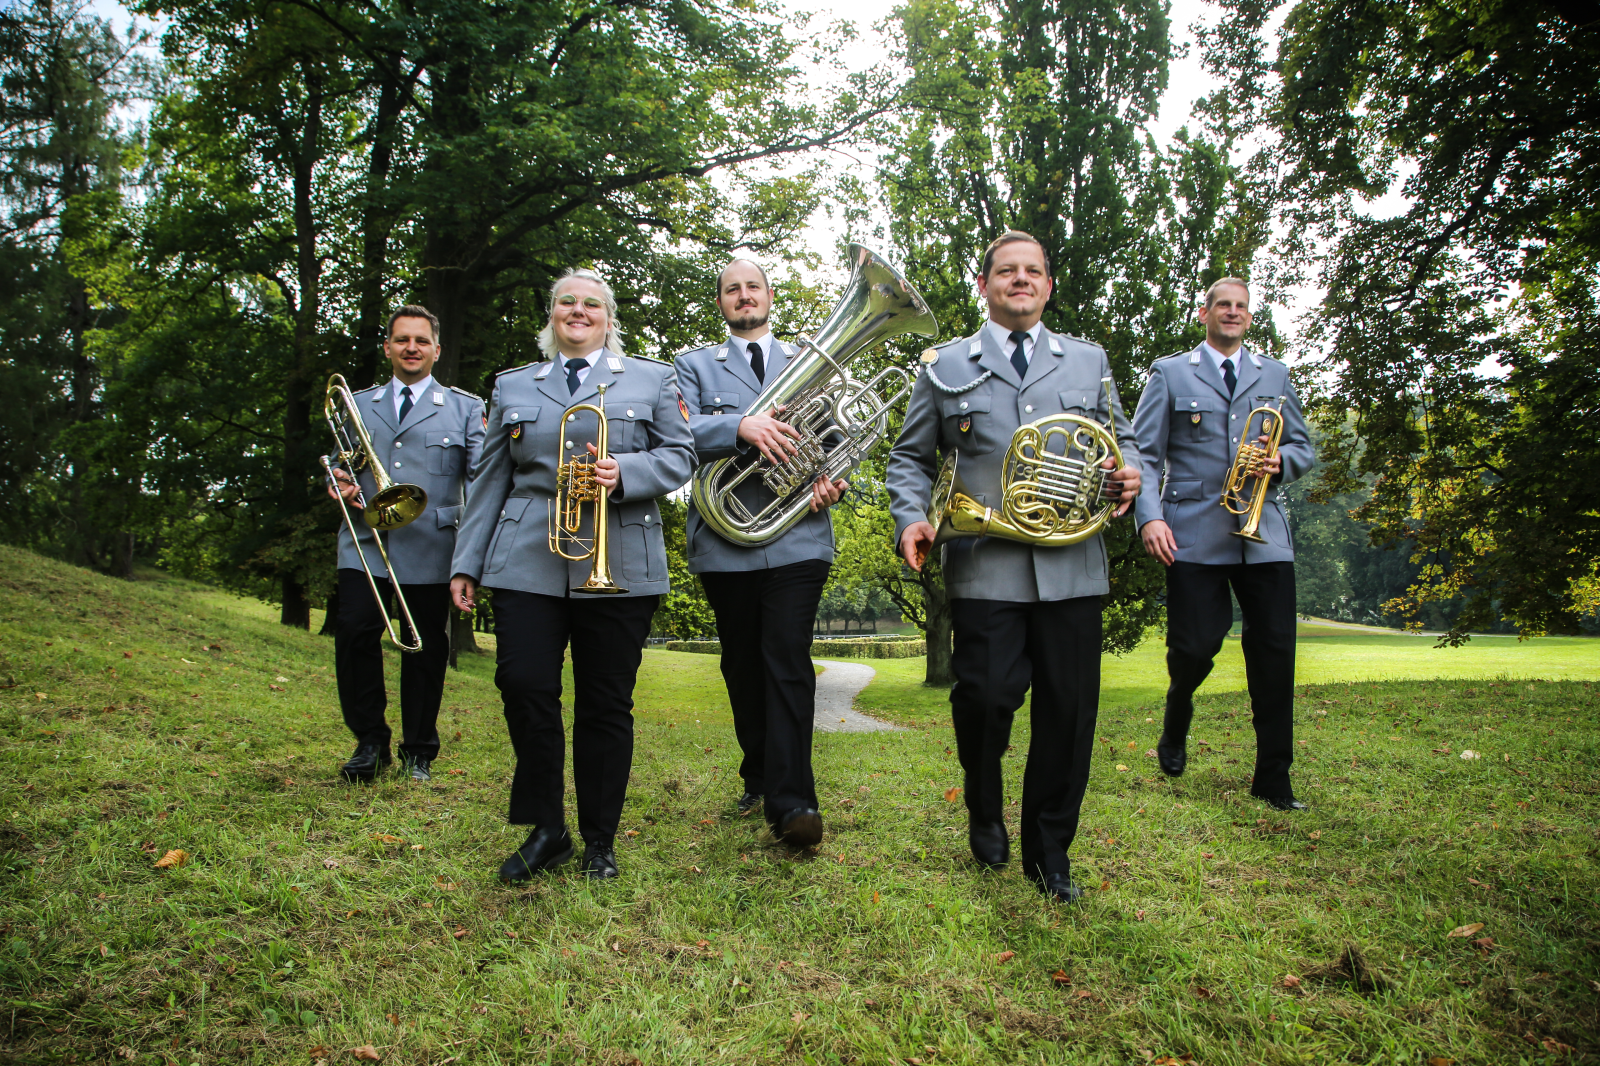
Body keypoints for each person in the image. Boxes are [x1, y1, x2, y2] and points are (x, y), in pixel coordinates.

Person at [887, 231, 1141, 902]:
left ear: (1048, 286)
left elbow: (1125, 444)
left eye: (1032, 272)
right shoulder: (944, 366)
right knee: (987, 700)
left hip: (1072, 570)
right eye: (1006, 271)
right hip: (985, 564)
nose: (1020, 280)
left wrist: (1128, 477)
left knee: (1068, 714)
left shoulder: (1089, 362)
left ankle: (1049, 853)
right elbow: (909, 458)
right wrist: (911, 516)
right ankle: (982, 802)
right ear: (985, 285)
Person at [449, 268, 695, 882]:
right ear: (552, 315)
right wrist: (467, 562)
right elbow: (488, 483)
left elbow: (681, 454)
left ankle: (600, 840)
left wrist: (629, 471)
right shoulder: (511, 386)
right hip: (528, 557)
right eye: (567, 302)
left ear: (608, 318)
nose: (578, 311)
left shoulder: (652, 378)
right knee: (524, 683)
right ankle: (547, 828)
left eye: (592, 304)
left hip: (621, 558)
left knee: (606, 703)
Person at [674, 259, 849, 848]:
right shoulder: (693, 365)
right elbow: (675, 432)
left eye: (752, 286)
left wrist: (832, 481)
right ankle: (759, 770)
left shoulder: (811, 358)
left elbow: (837, 437)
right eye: (732, 289)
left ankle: (795, 799)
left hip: (798, 535)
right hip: (727, 540)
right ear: (721, 302)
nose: (743, 296)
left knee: (787, 656)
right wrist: (740, 427)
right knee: (743, 664)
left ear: (769, 295)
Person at [1130, 277, 1315, 811]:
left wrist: (1283, 462)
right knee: (1195, 646)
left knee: (1276, 655)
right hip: (1192, 532)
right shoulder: (1169, 373)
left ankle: (1274, 779)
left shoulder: (1275, 375)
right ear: (1204, 313)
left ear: (1249, 317)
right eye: (1222, 306)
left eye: (1240, 307)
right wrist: (1150, 519)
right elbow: (1143, 453)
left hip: (1265, 536)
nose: (1231, 314)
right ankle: (1178, 706)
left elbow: (1301, 444)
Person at [328, 304, 485, 784]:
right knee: (354, 633)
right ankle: (369, 741)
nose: (411, 348)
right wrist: (339, 482)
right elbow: (342, 464)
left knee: (424, 648)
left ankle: (419, 749)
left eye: (421, 340)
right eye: (402, 340)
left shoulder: (465, 407)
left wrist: (474, 555)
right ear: (388, 348)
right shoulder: (357, 402)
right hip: (365, 541)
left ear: (436, 349)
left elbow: (480, 480)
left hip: (432, 546)